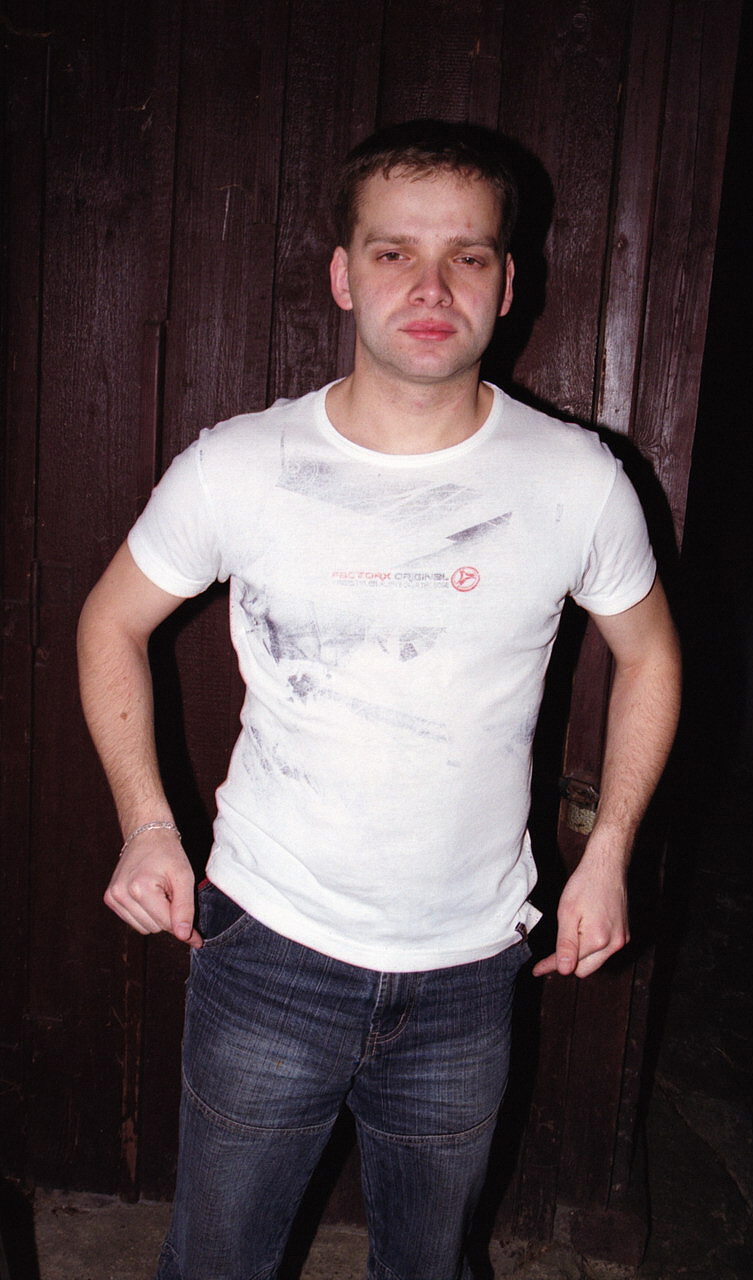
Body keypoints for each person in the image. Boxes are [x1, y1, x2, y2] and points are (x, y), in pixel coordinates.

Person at [78, 120, 681, 1280]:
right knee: (216, 1263)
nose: (431, 286)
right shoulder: (239, 465)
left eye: (467, 254)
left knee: (430, 1266)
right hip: (270, 948)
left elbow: (650, 656)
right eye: (395, 251)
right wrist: (147, 823)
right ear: (344, 275)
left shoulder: (576, 480)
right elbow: (110, 621)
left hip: (470, 971)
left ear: (507, 285)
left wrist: (609, 850)